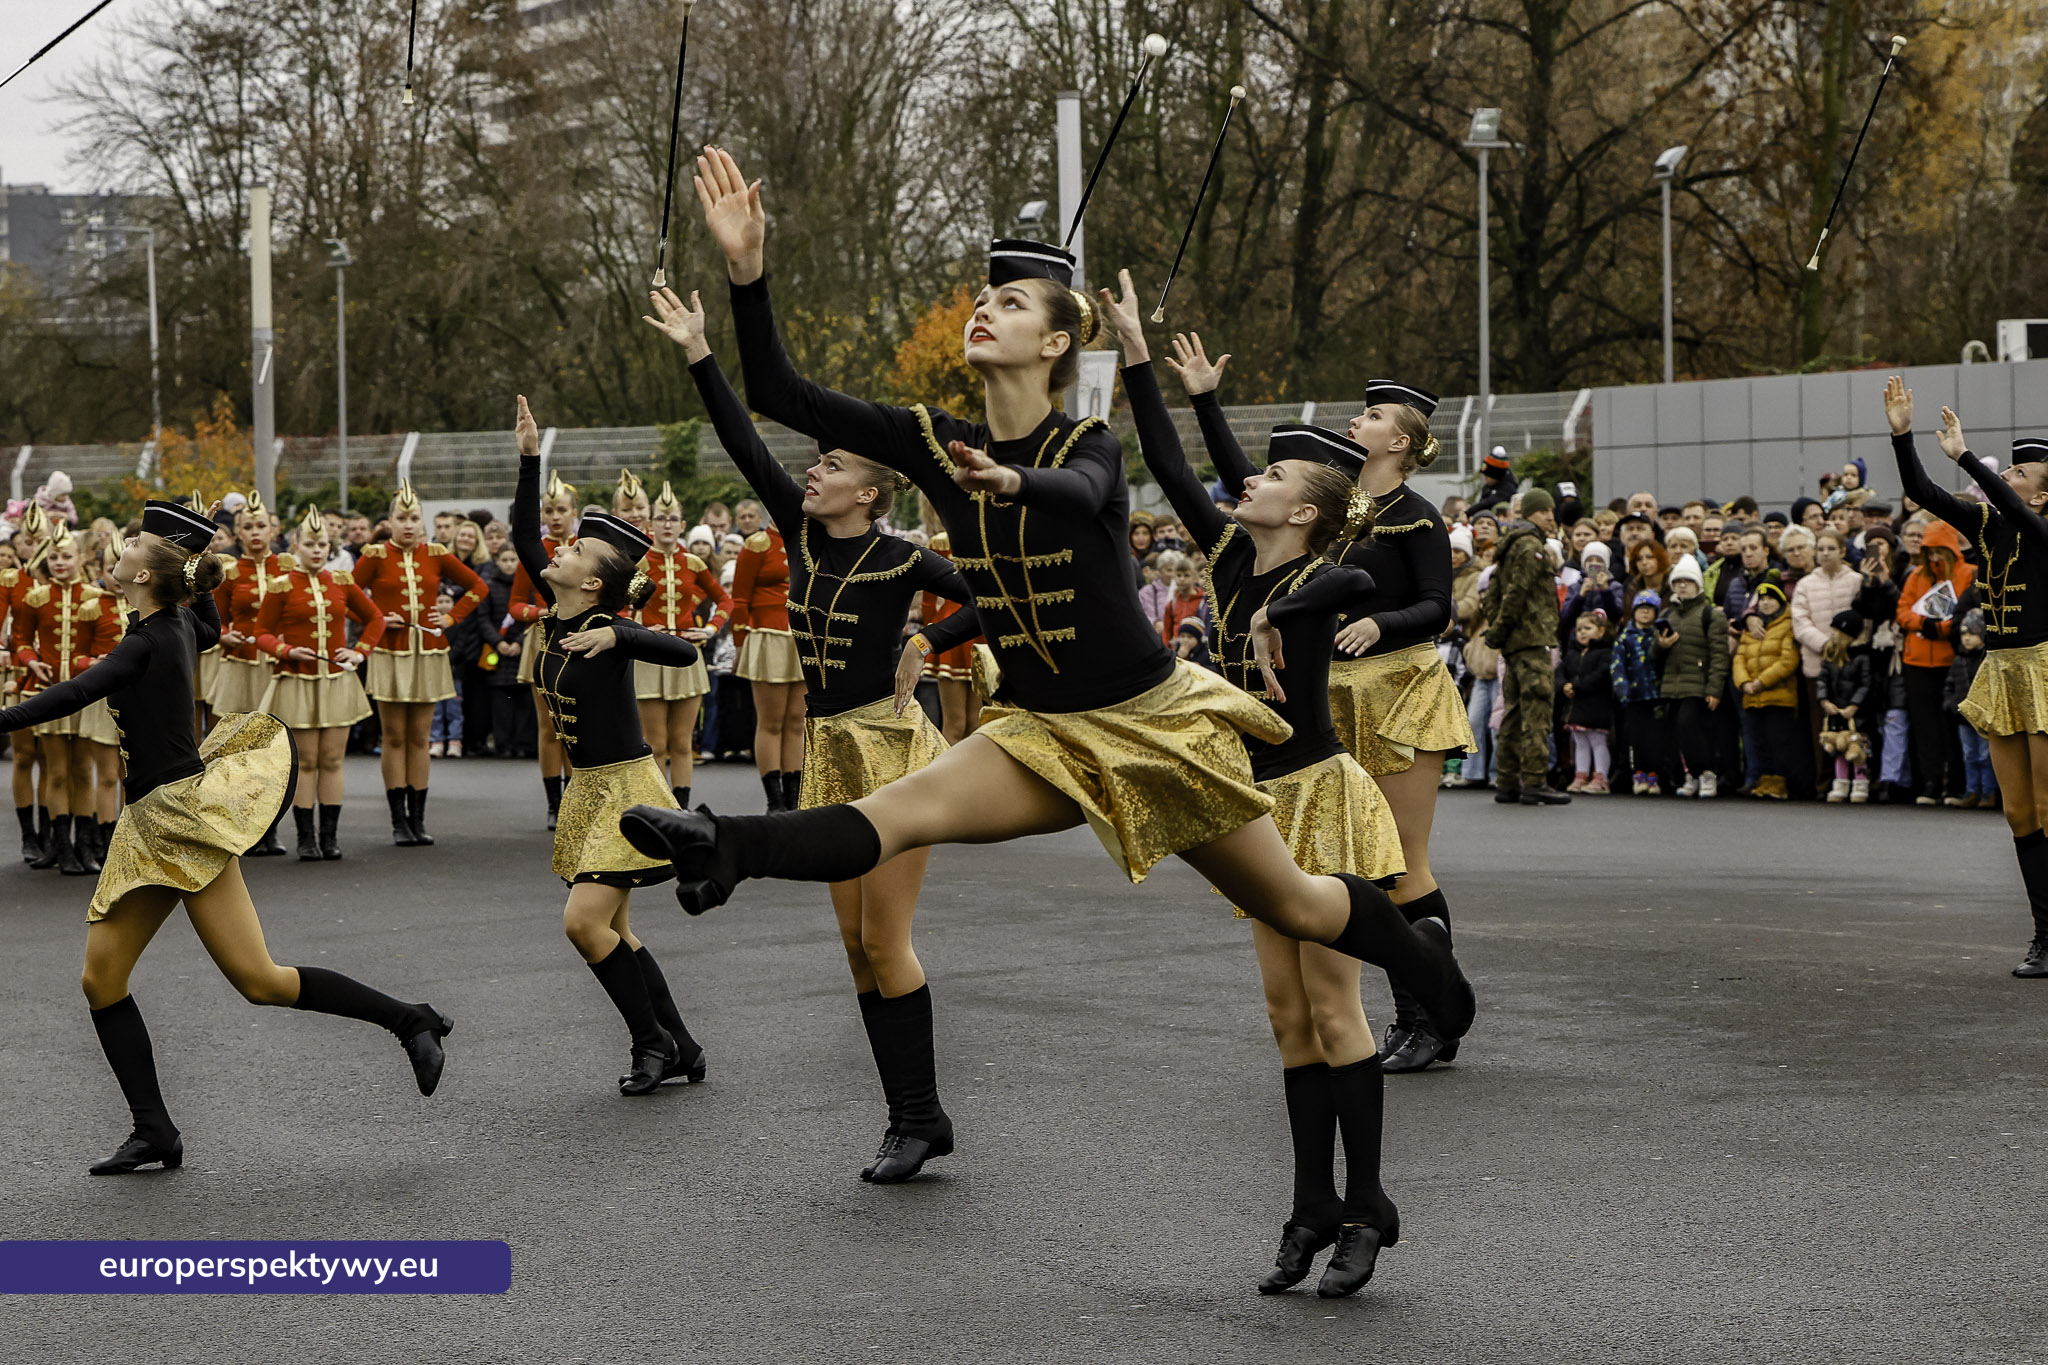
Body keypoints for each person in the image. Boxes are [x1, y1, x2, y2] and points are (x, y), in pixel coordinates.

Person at [622, 151, 1473, 1194]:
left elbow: (1079, 491)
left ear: (1057, 341)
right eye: (981, 299)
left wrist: (1011, 478)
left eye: (1011, 302)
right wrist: (748, 274)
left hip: (1154, 723)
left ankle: (1423, 965)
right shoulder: (933, 440)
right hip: (1038, 726)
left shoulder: (1086, 442)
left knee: (1298, 905)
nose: (984, 310)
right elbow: (777, 392)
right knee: (896, 813)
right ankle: (724, 844)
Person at [0, 498, 452, 1174]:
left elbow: (69, 695)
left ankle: (410, 1019)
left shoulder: (146, 640)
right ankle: (154, 1130)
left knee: (259, 980)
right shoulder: (177, 621)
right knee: (102, 978)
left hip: (180, 819)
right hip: (152, 821)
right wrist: (200, 536)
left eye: (133, 544)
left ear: (146, 575)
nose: (123, 547)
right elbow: (210, 619)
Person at [648, 285, 981, 1183]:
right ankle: (915, 1117)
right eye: (815, 463)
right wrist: (699, 352)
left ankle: (917, 1116)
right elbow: (742, 440)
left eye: (829, 464)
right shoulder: (799, 537)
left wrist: (928, 638)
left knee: (886, 941)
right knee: (854, 948)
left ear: (868, 491)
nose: (811, 472)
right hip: (829, 747)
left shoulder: (904, 556)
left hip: (893, 749)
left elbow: (993, 597)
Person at [1111, 288, 1404, 1297]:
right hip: (1252, 803)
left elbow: (1358, 585)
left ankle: (1365, 1206)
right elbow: (1169, 466)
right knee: (1285, 1015)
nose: (1249, 481)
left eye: (1272, 477)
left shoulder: (1320, 574)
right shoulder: (1236, 559)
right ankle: (1309, 1202)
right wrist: (1145, 361)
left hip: (1319, 797)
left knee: (1333, 1007)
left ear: (1307, 513)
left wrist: (1292, 608)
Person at [1171, 332, 1476, 1072]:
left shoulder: (1416, 514)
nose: (1355, 420)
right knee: (1345, 866)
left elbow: (1438, 605)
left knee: (1400, 860)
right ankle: (1390, 1007)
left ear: (1400, 440)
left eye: (1372, 416)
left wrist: (1381, 623)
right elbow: (1244, 481)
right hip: (1324, 690)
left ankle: (1429, 1015)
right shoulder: (1323, 505)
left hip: (1399, 689)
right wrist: (1206, 401)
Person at [513, 397, 707, 1094]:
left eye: (574, 550)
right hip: (586, 791)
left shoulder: (607, 629)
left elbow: (684, 651)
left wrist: (621, 632)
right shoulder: (555, 612)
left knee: (585, 924)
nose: (559, 549)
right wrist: (530, 458)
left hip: (625, 791)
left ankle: (650, 1043)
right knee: (617, 931)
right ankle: (682, 1045)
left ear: (594, 582)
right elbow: (524, 534)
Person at [1884, 381, 2048, 970]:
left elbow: (2020, 514)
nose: (2007, 475)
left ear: (2042, 494)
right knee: (2019, 814)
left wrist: (1967, 457)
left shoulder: (2040, 527)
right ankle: (2045, 936)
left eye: (2020, 473)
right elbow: (1920, 492)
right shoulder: (1985, 523)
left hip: (2045, 670)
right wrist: (1903, 436)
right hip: (2001, 669)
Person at [352, 482, 488, 846]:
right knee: (394, 736)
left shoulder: (437, 553)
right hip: (390, 652)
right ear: (390, 521)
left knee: (420, 736)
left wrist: (451, 618)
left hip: (429, 651)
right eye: (401, 518)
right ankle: (398, 821)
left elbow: (478, 587)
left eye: (414, 518)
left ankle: (418, 819)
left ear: (422, 521)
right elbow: (345, 595)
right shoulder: (375, 555)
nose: (408, 525)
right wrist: (377, 618)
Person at [253, 505, 385, 860]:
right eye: (310, 544)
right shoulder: (281, 585)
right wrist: (285, 650)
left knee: (333, 759)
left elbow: (375, 619)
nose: (316, 550)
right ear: (296, 545)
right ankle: (305, 838)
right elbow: (261, 632)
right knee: (307, 760)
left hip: (336, 681)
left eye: (322, 544)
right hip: (298, 681)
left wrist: (359, 653)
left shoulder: (341, 581)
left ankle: (330, 837)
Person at [13, 522, 121, 874]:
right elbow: (21, 640)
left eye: (66, 557)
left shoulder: (92, 599)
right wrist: (31, 661)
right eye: (54, 557)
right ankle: (60, 846)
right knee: (56, 772)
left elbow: (93, 649)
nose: (60, 563)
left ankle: (84, 845)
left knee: (82, 770)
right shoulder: (36, 598)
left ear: (80, 558)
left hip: (85, 694)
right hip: (49, 693)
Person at [204, 492, 289, 857]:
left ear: (273, 530)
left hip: (276, 667)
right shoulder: (229, 570)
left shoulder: (288, 566)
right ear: (237, 532)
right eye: (248, 527)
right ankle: (236, 826)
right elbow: (213, 618)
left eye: (261, 526)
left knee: (272, 750)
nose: (255, 532)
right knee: (236, 750)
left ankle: (270, 827)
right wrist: (224, 635)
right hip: (238, 665)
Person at [1483, 488, 1570, 806]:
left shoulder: (1509, 546)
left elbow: (1495, 593)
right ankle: (1534, 781)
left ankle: (1507, 782)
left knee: (1513, 712)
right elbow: (1516, 594)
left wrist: (1499, 632)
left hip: (1516, 643)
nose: (1550, 516)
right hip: (1532, 641)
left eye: (1551, 511)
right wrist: (1500, 631)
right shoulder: (1531, 546)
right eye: (1544, 511)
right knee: (1536, 711)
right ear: (1531, 513)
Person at [509, 470, 580, 828]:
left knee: (577, 724)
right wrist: (540, 613)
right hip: (542, 641)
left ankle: (577, 797)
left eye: (561, 510)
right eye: (549, 510)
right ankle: (554, 803)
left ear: (573, 512)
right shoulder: (534, 551)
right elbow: (515, 604)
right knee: (549, 726)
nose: (555, 517)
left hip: (579, 639)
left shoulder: (585, 548)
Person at [731, 503, 806, 811]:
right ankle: (774, 800)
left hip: (803, 638)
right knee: (771, 722)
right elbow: (739, 599)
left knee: (797, 722)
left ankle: (794, 798)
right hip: (767, 637)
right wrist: (739, 644)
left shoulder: (811, 542)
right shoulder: (757, 544)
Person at [1897, 517, 1974, 807]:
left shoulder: (1968, 574)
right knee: (1925, 725)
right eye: (1930, 551)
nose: (1934, 557)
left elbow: (1967, 614)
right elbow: (1902, 611)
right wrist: (1923, 623)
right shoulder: (1916, 576)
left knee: (1953, 725)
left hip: (1949, 660)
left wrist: (1940, 629)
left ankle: (1955, 784)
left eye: (1939, 550)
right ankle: (1930, 783)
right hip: (1917, 661)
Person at [1652, 555, 1728, 798]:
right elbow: (1654, 654)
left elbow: (1719, 655)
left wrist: (1714, 689)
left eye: (1688, 581)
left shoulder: (1711, 614)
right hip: (1671, 685)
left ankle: (1707, 773)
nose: (1683, 586)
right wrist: (1661, 645)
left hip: (1698, 684)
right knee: (1677, 732)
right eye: (1678, 581)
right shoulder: (1668, 613)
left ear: (1698, 584)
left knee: (1690, 727)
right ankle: (1692, 775)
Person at [918, 493, 983, 745]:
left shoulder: (942, 541)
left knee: (960, 724)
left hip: (952, 626)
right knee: (969, 723)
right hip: (977, 627)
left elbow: (929, 599)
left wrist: (931, 629)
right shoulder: (986, 539)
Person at [1733, 583, 1800, 799]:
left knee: (1779, 741)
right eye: (1762, 600)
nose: (1766, 603)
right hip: (1752, 697)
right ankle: (1765, 780)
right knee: (1759, 741)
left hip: (1778, 696)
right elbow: (1739, 658)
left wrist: (1762, 682)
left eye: (1771, 599)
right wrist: (1744, 683)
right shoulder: (1752, 628)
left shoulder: (1788, 625)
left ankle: (1780, 782)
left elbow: (1788, 661)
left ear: (1780, 602)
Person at [1817, 609, 1873, 803]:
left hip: (1855, 713)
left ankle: (1860, 782)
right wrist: (1825, 701)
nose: (1832, 635)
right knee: (1838, 746)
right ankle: (1840, 783)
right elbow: (1822, 679)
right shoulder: (1831, 654)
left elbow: (1866, 684)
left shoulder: (1862, 656)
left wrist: (1855, 705)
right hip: (1837, 710)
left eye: (1835, 631)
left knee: (1857, 748)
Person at [1612, 591, 1664, 794]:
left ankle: (1654, 776)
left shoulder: (1659, 636)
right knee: (1636, 737)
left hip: (1655, 695)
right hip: (1633, 696)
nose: (1644, 612)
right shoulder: (1625, 637)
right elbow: (1617, 666)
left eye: (1649, 609)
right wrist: (1622, 690)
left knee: (1654, 737)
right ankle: (1639, 774)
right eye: (1640, 609)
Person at [1560, 610, 1614, 794]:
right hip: (1576, 706)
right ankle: (1580, 775)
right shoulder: (1572, 653)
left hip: (1596, 705)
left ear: (1601, 631)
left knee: (1597, 741)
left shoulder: (1605, 652)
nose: (1582, 632)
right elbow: (1561, 672)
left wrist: (1576, 685)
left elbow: (1600, 676)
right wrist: (1563, 685)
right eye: (1579, 629)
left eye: (1587, 628)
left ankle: (1601, 778)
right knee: (1580, 741)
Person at [1947, 609, 1995, 809]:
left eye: (1972, 633)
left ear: (1983, 634)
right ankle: (1971, 791)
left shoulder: (1989, 660)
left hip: (1984, 717)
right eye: (1964, 634)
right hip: (1963, 717)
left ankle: (1988, 792)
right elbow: (1950, 684)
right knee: (1969, 755)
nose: (1967, 638)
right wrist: (1950, 703)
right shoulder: (1959, 660)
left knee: (1986, 756)